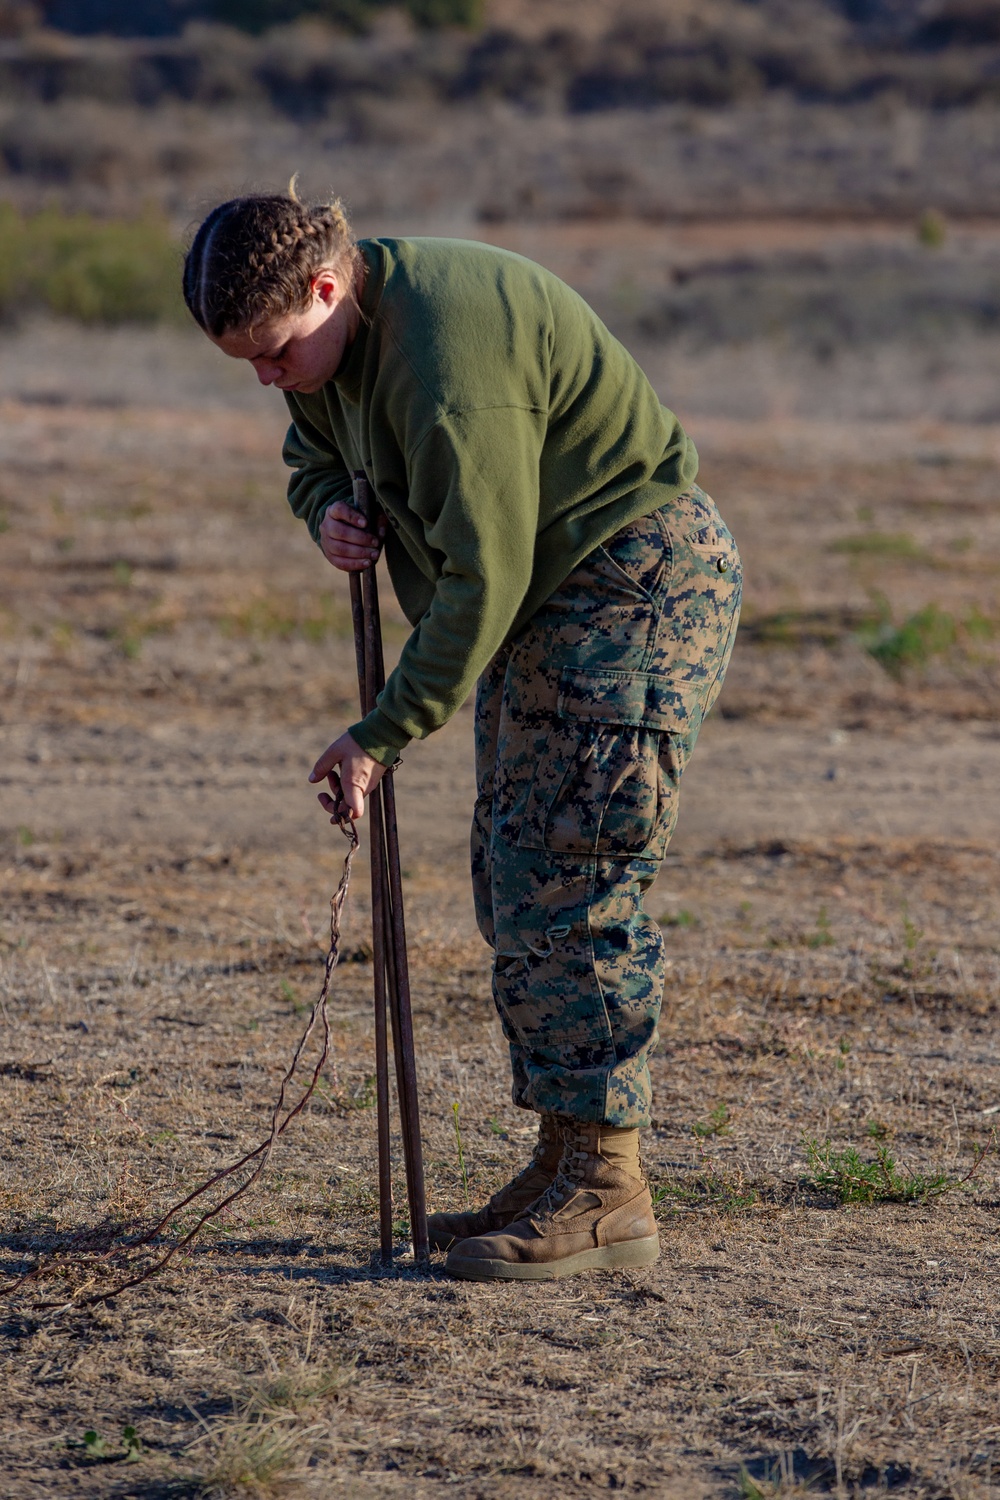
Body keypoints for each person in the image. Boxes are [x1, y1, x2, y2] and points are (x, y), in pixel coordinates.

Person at [183, 190, 742, 1282]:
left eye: (277, 352)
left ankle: (606, 1192)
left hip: (629, 583)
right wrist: (325, 516)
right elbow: (318, 458)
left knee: (568, 879)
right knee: (514, 873)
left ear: (327, 287)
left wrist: (380, 735)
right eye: (243, 362)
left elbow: (483, 578)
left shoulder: (443, 373)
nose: (267, 379)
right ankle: (566, 1157)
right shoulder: (334, 353)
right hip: (555, 600)